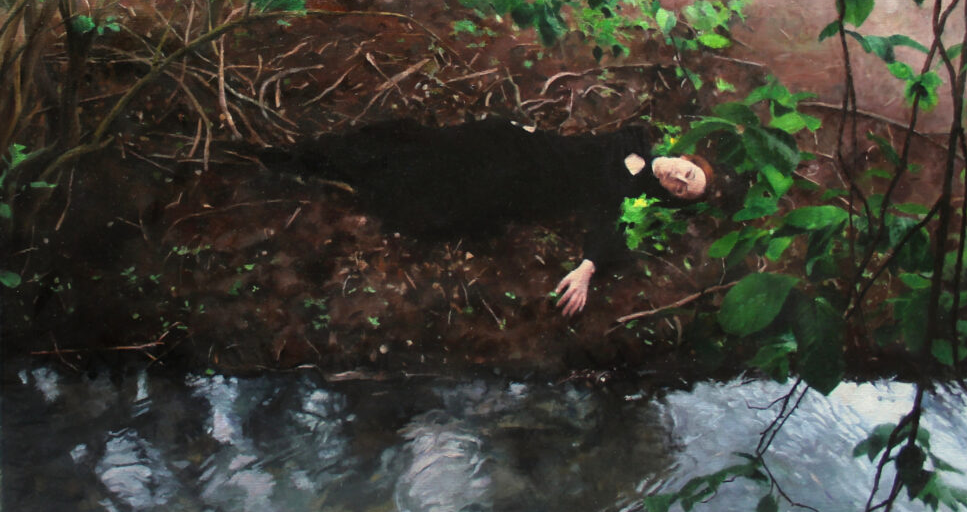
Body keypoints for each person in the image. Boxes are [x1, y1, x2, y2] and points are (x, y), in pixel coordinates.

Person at [254, 117, 712, 316]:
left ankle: (329, 171)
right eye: (687, 173)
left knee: (434, 203)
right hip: (514, 145)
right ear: (685, 156)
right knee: (423, 148)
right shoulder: (635, 138)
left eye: (681, 189)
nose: (677, 178)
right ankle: (305, 158)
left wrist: (587, 268)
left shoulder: (633, 196)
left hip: (518, 184)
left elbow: (612, 229)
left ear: (670, 197)